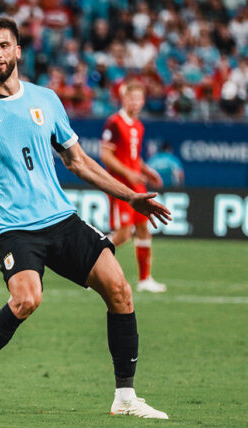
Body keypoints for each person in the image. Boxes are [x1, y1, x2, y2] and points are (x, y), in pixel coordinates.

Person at [0, 17, 171, 419]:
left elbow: (78, 162)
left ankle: (125, 398)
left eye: (4, 45)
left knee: (121, 291)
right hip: (15, 228)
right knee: (26, 299)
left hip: (61, 219)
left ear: (18, 51)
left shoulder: (46, 99)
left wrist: (131, 197)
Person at [100, 81, 166, 293]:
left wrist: (147, 172)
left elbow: (134, 158)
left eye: (139, 98)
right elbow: (105, 155)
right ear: (124, 99)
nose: (135, 102)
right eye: (132, 98)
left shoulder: (138, 126)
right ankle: (89, 257)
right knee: (123, 234)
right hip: (119, 186)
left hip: (137, 186)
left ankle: (145, 279)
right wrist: (128, 173)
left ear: (143, 101)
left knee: (144, 229)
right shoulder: (114, 123)